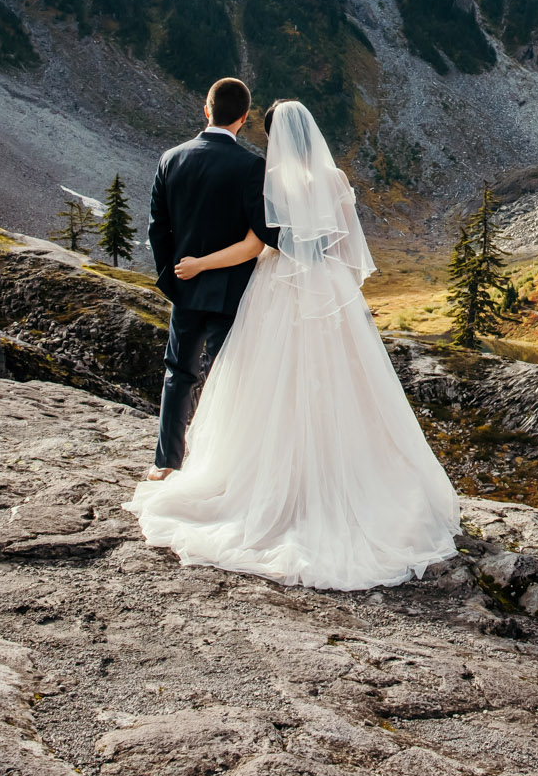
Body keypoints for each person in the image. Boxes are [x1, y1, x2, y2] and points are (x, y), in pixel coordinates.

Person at [131, 98, 460, 590]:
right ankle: (342, 475)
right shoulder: (336, 181)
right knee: (340, 383)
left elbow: (256, 245)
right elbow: (349, 247)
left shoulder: (271, 182)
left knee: (262, 381)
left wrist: (192, 267)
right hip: (329, 289)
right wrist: (340, 295)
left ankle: (214, 469)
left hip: (277, 286)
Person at [145, 77, 277, 480]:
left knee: (177, 374)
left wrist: (174, 278)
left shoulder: (171, 158)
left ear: (207, 110)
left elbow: (157, 229)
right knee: (227, 379)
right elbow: (265, 231)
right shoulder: (251, 166)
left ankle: (166, 463)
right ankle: (223, 469)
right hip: (232, 293)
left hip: (185, 288)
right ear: (244, 118)